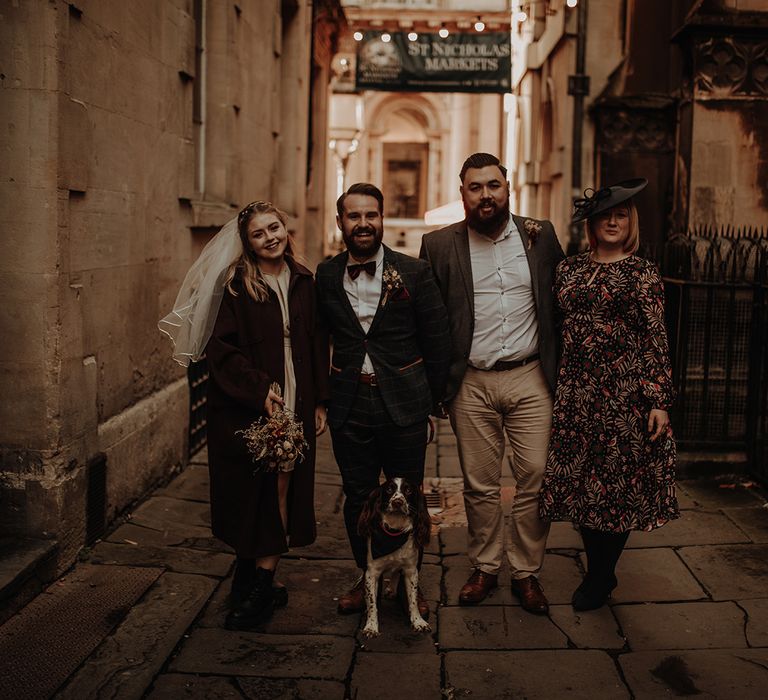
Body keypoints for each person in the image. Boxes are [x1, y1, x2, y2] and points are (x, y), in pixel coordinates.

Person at [159, 201, 329, 629]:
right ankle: (253, 575)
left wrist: (321, 401)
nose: (270, 237)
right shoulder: (235, 285)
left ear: (285, 228)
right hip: (255, 398)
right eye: (259, 233)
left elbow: (316, 343)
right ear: (248, 243)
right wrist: (260, 390)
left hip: (298, 393)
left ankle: (260, 580)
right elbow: (221, 349)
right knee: (255, 486)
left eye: (274, 227)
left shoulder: (305, 281)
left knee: (283, 482)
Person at [420, 153, 564, 615]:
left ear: (508, 187)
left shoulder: (540, 236)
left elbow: (561, 304)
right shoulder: (439, 245)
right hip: (472, 382)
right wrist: (432, 388)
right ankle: (484, 566)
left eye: (493, 185)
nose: (486, 195)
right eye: (476, 187)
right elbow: (429, 320)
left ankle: (525, 571)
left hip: (529, 376)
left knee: (536, 477)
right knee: (479, 484)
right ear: (462, 193)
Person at [538, 178, 679, 611]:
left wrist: (658, 399)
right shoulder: (569, 269)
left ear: (630, 221)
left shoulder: (642, 272)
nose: (613, 222)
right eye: (605, 216)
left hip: (624, 395)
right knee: (583, 486)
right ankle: (601, 571)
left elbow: (656, 336)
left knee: (615, 489)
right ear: (592, 224)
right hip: (576, 392)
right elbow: (554, 328)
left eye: (621, 215)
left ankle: (600, 576)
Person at [315, 182, 450, 616]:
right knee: (357, 496)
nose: (363, 223)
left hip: (404, 404)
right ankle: (365, 576)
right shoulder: (327, 274)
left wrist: (431, 405)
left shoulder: (413, 272)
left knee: (408, 495)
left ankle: (412, 580)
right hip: (349, 404)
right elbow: (318, 341)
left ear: (382, 218)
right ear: (341, 223)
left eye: (370, 215)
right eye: (353, 216)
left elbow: (437, 341)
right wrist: (321, 401)